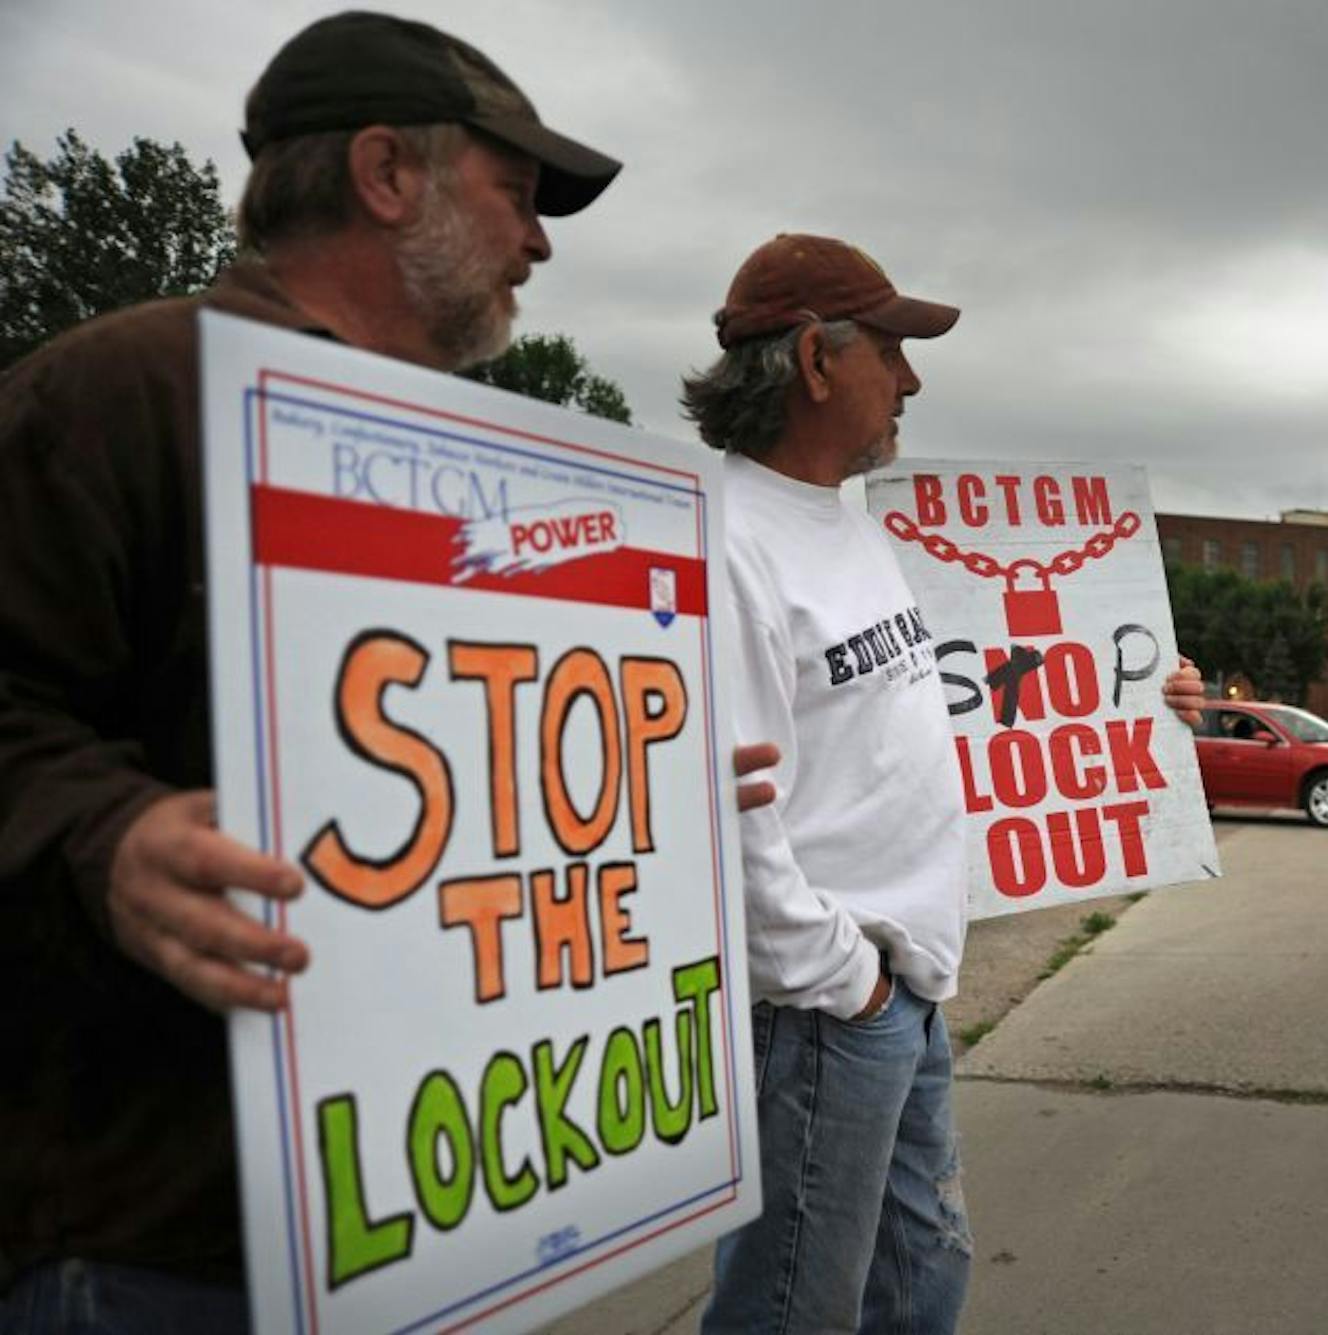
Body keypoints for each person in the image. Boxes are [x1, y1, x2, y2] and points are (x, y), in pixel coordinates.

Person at [0, 15, 777, 1328]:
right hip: (165, 1248)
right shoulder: (117, 394)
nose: (538, 242)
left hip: (426, 1224)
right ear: (384, 174)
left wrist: (622, 803)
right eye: (518, 196)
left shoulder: (487, 465)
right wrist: (107, 836)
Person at [682, 234, 1204, 1335]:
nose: (911, 379)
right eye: (891, 350)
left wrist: (1142, 704)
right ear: (816, 365)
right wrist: (844, 981)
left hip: (904, 992)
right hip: (825, 1010)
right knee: (796, 1313)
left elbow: (972, 691)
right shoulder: (725, 545)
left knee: (919, 1292)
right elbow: (729, 810)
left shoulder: (852, 524)